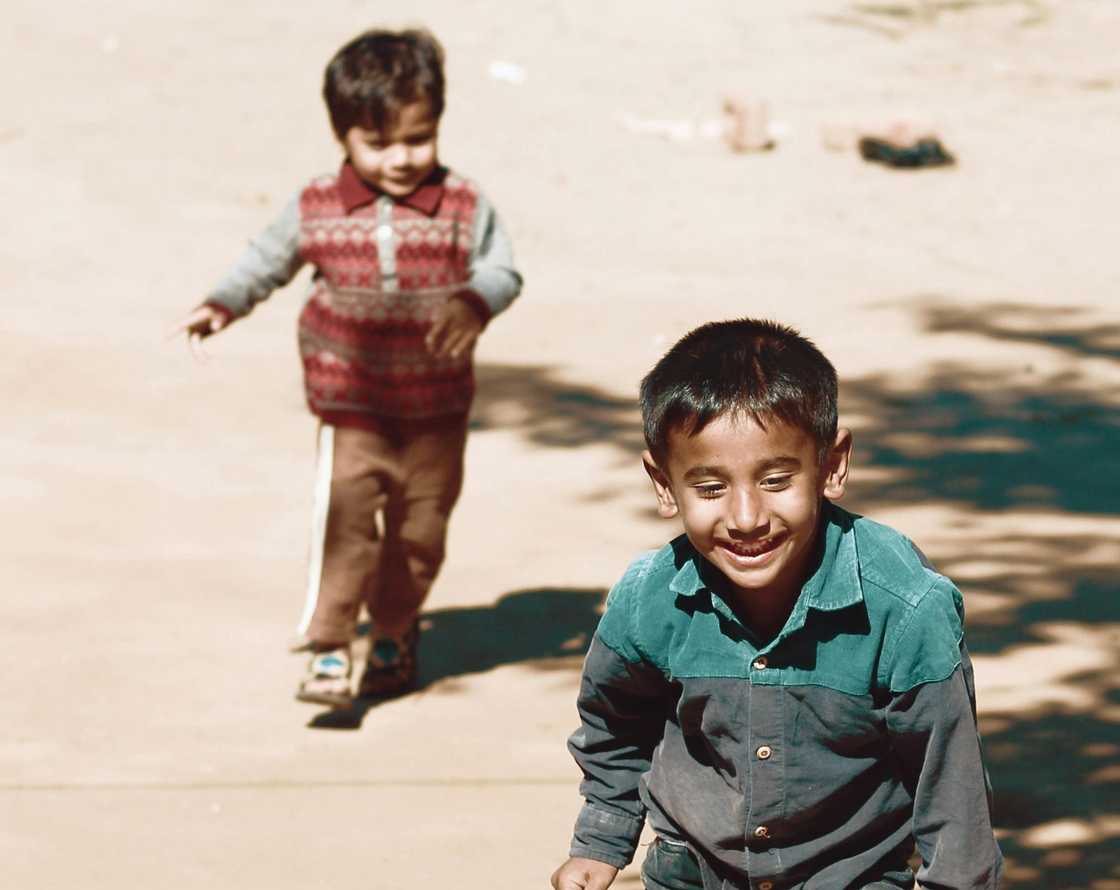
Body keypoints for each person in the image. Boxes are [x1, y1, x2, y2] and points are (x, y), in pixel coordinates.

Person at [551, 319, 1001, 890]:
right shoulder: (648, 602)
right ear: (664, 484)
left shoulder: (905, 611)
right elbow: (616, 725)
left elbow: (951, 788)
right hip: (692, 872)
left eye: (776, 479)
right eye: (710, 488)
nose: (746, 518)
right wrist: (602, 836)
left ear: (831, 466)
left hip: (852, 875)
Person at [179, 28, 522, 708]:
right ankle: (330, 645)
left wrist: (475, 300)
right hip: (352, 409)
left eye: (418, 138)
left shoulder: (463, 203)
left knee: (420, 538)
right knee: (343, 530)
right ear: (344, 135)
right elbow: (267, 260)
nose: (402, 158)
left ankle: (395, 628)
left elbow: (502, 268)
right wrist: (222, 304)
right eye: (381, 143)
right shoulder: (317, 204)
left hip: (437, 413)